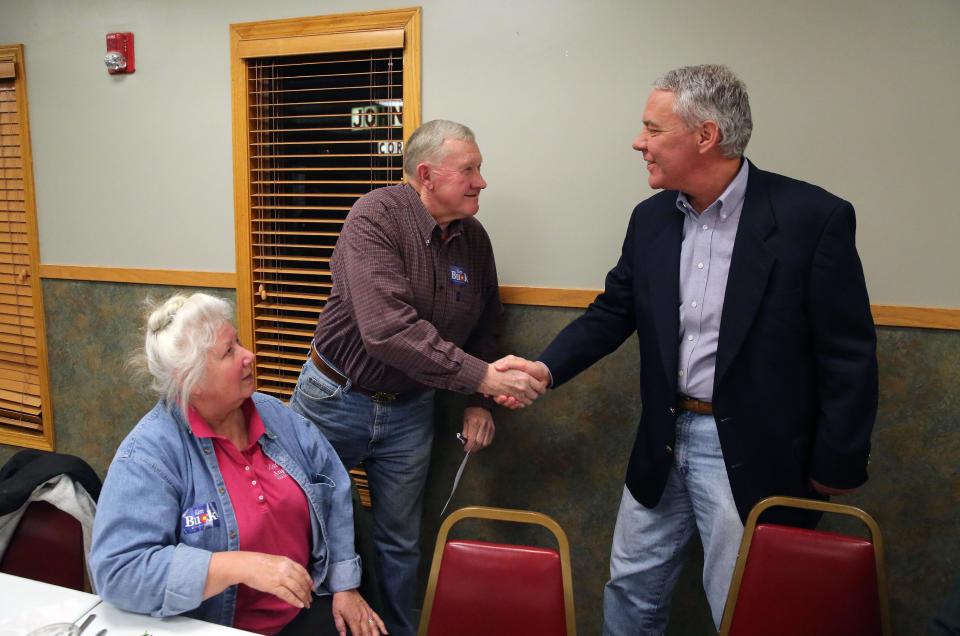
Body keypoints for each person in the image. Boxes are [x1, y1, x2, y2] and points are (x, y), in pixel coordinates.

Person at [497, 64, 878, 634]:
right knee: (630, 587)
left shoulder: (812, 219)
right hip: (662, 438)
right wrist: (546, 367)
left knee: (745, 603)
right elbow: (613, 310)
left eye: (652, 129)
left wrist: (836, 463)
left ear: (706, 136)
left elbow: (847, 352)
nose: (638, 142)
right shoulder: (650, 219)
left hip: (755, 449)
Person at [288, 119, 546, 636]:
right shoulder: (374, 218)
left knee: (400, 541)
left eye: (480, 169)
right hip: (335, 398)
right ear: (427, 174)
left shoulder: (473, 239)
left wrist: (480, 399)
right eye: (469, 170)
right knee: (309, 526)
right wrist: (487, 379)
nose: (481, 182)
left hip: (410, 410)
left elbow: (486, 326)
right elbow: (388, 331)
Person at [90, 293, 386, 636]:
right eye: (229, 352)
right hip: (218, 625)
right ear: (191, 381)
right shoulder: (148, 457)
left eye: (239, 342)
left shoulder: (274, 416)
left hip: (305, 610)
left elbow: (333, 488)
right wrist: (235, 566)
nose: (249, 356)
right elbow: (119, 572)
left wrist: (344, 586)